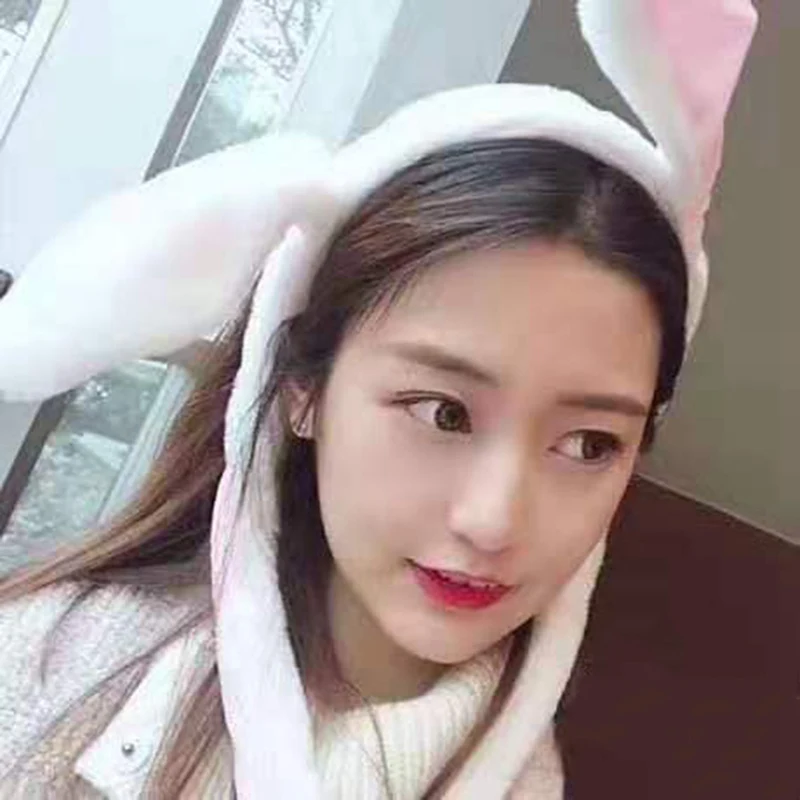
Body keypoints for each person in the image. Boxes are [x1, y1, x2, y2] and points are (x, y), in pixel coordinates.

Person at [0, 1, 757, 797]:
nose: (493, 520)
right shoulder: (40, 674)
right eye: (444, 414)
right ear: (304, 388)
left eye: (588, 444)